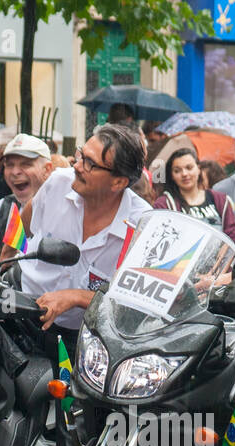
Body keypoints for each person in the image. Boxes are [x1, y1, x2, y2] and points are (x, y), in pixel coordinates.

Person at [15, 124, 151, 352]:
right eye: (80, 155)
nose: (77, 166)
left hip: (92, 340)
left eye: (89, 163)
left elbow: (136, 304)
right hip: (25, 316)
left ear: (118, 182)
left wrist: (77, 297)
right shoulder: (58, 183)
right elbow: (22, 225)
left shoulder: (142, 227)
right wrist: (2, 260)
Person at [0, 134, 52, 254]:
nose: (15, 172)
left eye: (26, 164)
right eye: (9, 165)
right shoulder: (2, 208)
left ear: (47, 169)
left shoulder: (61, 208)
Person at [153, 147, 235, 243]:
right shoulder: (164, 204)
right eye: (177, 170)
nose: (184, 174)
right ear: (171, 175)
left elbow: (231, 236)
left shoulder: (220, 199)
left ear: (199, 169)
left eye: (189, 168)